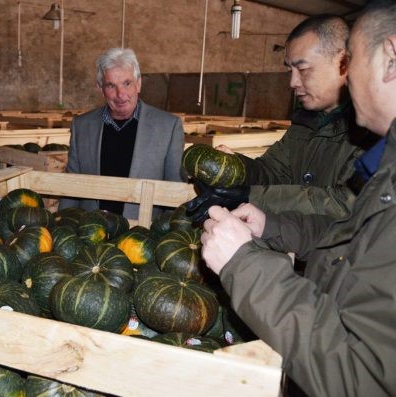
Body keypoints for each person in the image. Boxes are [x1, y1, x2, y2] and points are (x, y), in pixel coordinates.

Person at [200, 1, 396, 395]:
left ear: (390, 58)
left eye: (351, 60)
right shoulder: (381, 159)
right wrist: (261, 209)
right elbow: (351, 238)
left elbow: (361, 374)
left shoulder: (367, 143)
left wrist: (247, 263)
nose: (347, 75)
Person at [189, 14, 377, 223]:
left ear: (343, 62)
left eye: (303, 69)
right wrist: (234, 168)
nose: (293, 82)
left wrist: (251, 196)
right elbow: (272, 172)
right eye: (290, 70)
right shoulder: (305, 124)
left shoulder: (372, 129)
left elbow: (345, 203)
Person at [58, 47, 185, 220]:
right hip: (92, 234)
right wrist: (62, 225)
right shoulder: (82, 126)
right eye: (111, 85)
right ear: (100, 88)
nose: (120, 94)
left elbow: (175, 193)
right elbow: (71, 188)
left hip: (143, 237)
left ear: (138, 83)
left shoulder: (168, 127)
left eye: (127, 83)